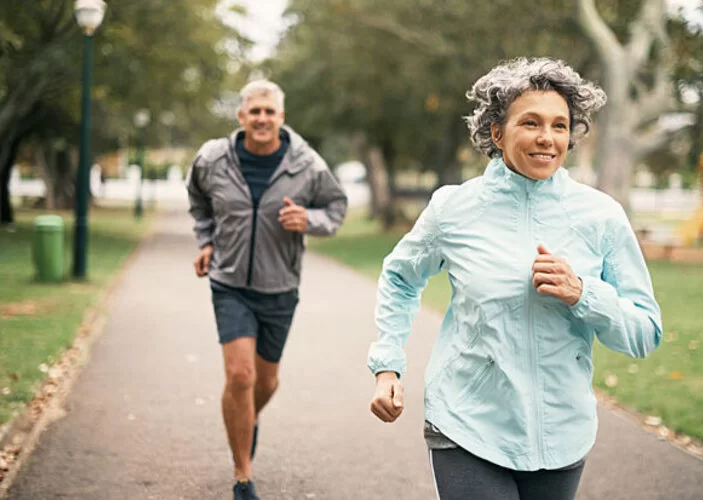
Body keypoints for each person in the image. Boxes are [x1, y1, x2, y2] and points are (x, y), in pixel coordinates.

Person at [367, 58, 662, 500]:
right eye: (531, 122)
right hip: (467, 421)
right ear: (497, 133)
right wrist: (387, 363)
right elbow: (400, 276)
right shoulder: (454, 209)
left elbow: (645, 332)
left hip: (562, 432)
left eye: (560, 125)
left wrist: (583, 293)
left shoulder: (601, 216)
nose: (547, 138)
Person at [186, 79, 347, 500]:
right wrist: (206, 240)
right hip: (229, 282)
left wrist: (308, 221)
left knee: (267, 382)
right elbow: (199, 200)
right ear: (241, 116)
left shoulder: (307, 164)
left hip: (280, 286)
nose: (261, 118)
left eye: (269, 111)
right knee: (240, 375)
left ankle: (244, 421)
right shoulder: (212, 158)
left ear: (281, 117)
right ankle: (243, 475)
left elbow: (336, 207)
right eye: (254, 111)